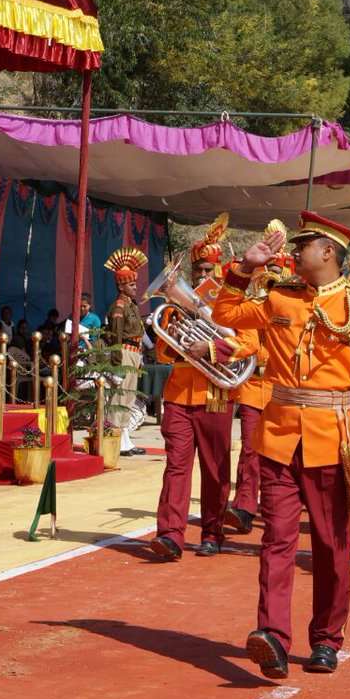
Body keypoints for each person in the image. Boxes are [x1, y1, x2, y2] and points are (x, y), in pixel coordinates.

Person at [214, 210, 350, 679]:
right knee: (276, 541)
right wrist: (245, 268)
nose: (292, 250)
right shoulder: (279, 296)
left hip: (333, 438)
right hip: (279, 437)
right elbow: (225, 313)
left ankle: (328, 638)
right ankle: (272, 637)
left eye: (302, 244)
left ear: (328, 251)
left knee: (331, 547)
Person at [149, 213, 257, 560]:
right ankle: (169, 535)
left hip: (216, 395)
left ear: (219, 272)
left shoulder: (233, 305)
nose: (203, 276)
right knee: (177, 466)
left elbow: (250, 344)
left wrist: (211, 347)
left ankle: (212, 531)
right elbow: (164, 351)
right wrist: (178, 328)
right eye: (198, 271)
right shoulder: (174, 308)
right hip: (179, 394)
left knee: (214, 468)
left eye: (209, 271)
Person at [226, 220, 294, 537]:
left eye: (277, 279)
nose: (272, 286)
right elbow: (249, 342)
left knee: (281, 453)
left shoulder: (293, 307)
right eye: (268, 278)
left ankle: (274, 505)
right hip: (255, 387)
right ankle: (243, 506)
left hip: (283, 390)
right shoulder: (253, 305)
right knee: (251, 450)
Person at [102, 247, 148, 456]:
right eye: (131, 284)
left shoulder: (132, 306)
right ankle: (114, 441)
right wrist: (116, 365)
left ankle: (125, 441)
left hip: (134, 352)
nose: (135, 287)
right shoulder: (119, 307)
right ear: (121, 286)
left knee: (128, 398)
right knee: (119, 399)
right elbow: (115, 338)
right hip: (124, 353)